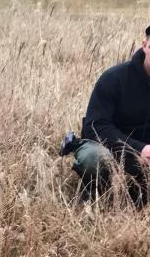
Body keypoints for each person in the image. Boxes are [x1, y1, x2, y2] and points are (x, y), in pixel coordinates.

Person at [63, 26, 150, 207]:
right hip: (112, 148)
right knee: (93, 157)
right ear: (145, 45)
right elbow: (96, 127)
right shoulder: (114, 78)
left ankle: (137, 194)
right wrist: (139, 149)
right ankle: (94, 190)